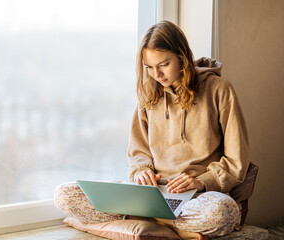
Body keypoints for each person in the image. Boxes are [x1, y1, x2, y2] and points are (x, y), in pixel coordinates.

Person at [54, 21, 250, 240]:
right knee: (65, 195)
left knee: (225, 211)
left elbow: (236, 159)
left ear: (182, 57)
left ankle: (146, 222)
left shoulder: (219, 90)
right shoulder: (149, 94)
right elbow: (139, 153)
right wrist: (141, 172)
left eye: (164, 64)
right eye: (149, 67)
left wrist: (203, 181)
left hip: (196, 199)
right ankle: (173, 226)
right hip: (149, 196)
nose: (157, 74)